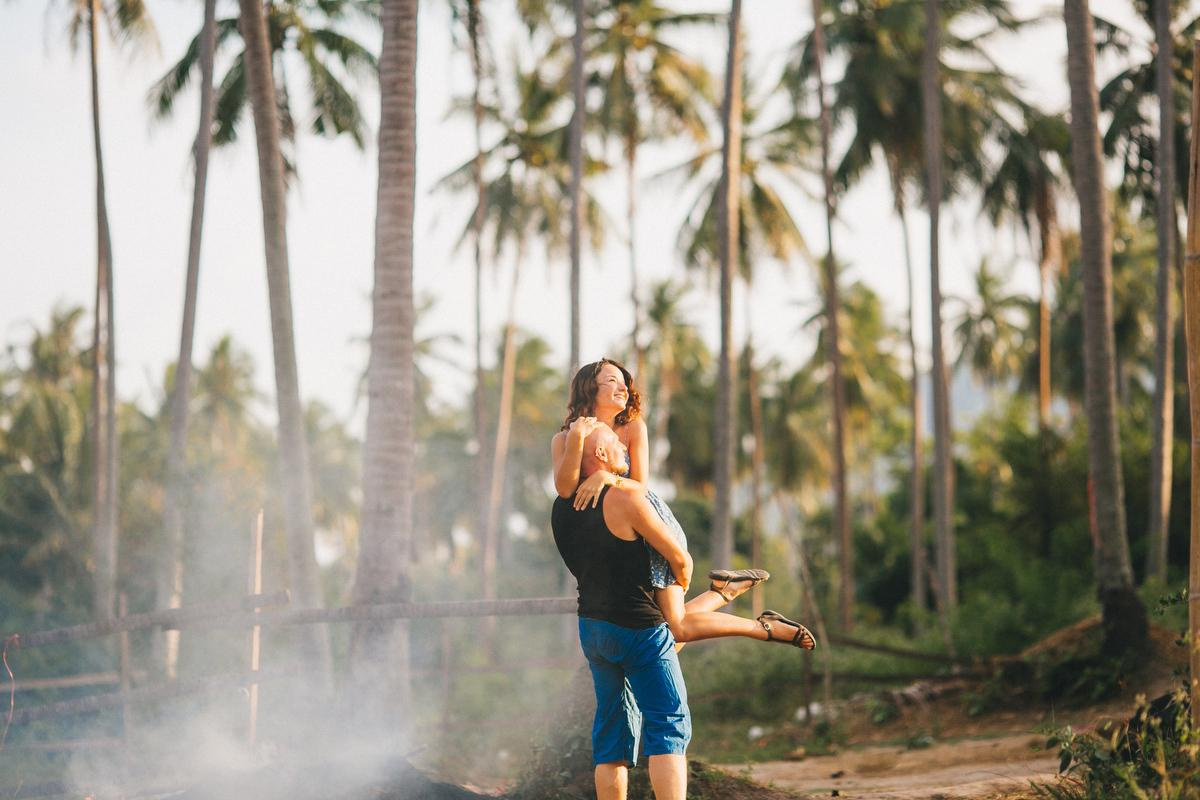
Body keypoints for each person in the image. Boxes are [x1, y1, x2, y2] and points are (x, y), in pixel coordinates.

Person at [551, 358, 816, 649]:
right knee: (666, 628)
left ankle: (764, 627)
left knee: (675, 628)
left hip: (650, 527)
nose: (624, 388)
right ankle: (722, 593)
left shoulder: (633, 428)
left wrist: (606, 477)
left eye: (625, 382)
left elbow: (640, 485)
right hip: (616, 540)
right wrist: (577, 438)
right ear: (589, 388)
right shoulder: (565, 438)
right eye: (612, 380)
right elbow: (565, 489)